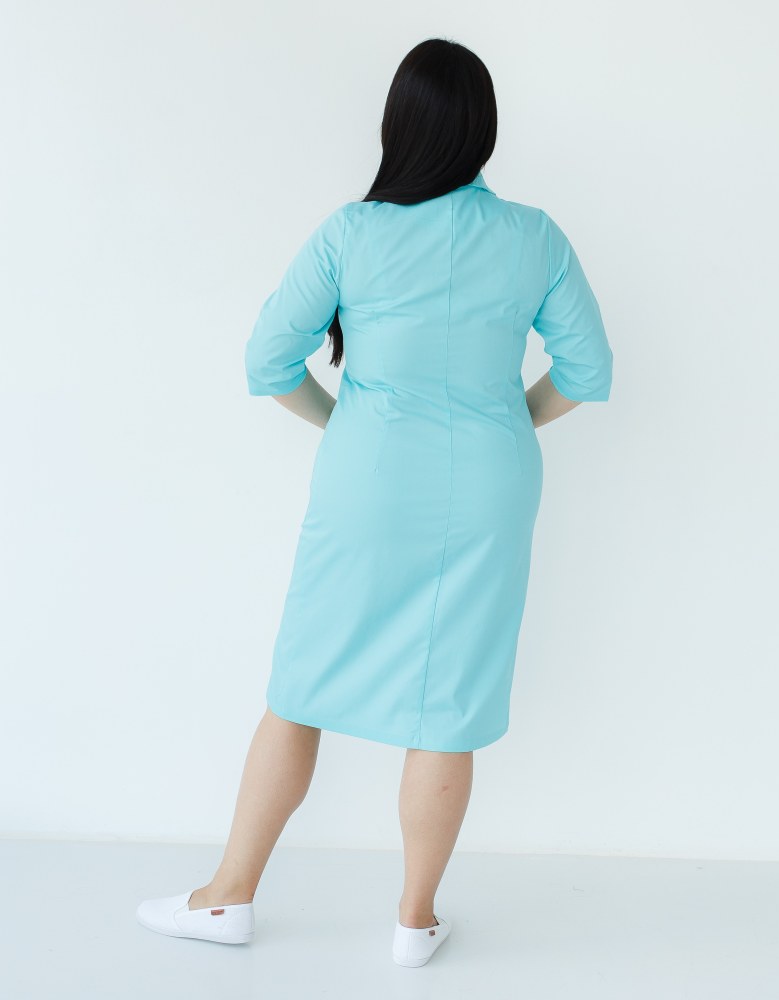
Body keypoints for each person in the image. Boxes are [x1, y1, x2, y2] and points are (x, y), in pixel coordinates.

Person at [136, 37, 613, 967]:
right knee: (448, 700)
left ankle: (227, 897)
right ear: (483, 129)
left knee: (299, 687)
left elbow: (267, 362)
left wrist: (340, 423)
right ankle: (413, 922)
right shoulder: (534, 236)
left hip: (367, 477)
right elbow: (588, 372)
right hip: (490, 485)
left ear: (397, 125)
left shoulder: (351, 233)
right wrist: (507, 422)